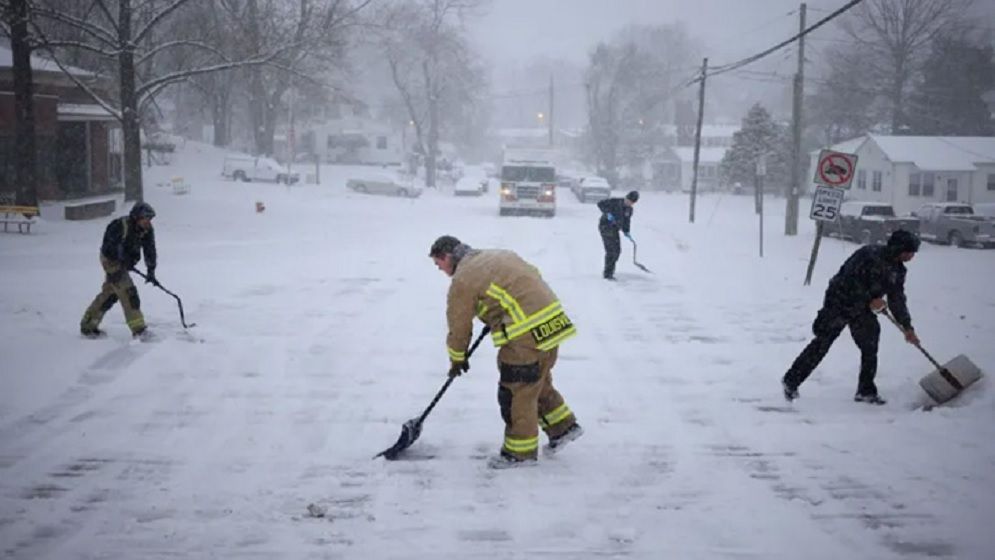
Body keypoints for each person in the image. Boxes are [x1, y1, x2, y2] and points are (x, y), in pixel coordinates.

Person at [429, 235, 583, 468]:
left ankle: (519, 454)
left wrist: (457, 358)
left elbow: (459, 325)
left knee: (516, 392)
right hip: (553, 324)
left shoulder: (463, 280)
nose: (440, 270)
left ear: (447, 256)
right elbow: (523, 285)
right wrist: (496, 314)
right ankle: (563, 428)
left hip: (525, 333)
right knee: (536, 381)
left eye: (438, 264)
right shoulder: (498, 255)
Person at [781, 229, 922, 405]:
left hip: (862, 310)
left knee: (870, 345)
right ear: (898, 248)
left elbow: (897, 299)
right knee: (823, 342)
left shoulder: (898, 271)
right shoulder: (868, 255)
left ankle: (866, 390)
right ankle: (791, 381)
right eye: (909, 252)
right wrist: (870, 299)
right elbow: (847, 280)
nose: (911, 256)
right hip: (839, 302)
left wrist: (907, 327)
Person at [80, 201, 158, 340]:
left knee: (110, 294)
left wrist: (151, 271)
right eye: (145, 219)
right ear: (137, 217)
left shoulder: (147, 229)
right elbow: (109, 247)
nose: (148, 222)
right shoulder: (119, 226)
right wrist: (122, 258)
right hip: (111, 261)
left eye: (149, 219)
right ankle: (139, 330)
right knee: (128, 292)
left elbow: (149, 250)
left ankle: (88, 325)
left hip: (124, 262)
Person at [597, 190, 639, 280]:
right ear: (626, 198)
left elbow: (627, 221)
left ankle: (610, 271)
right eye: (629, 201)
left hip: (614, 229)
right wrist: (607, 213)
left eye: (632, 203)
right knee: (611, 250)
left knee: (617, 251)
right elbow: (600, 204)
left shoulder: (629, 209)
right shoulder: (615, 202)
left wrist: (626, 231)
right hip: (605, 227)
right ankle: (608, 273)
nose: (630, 204)